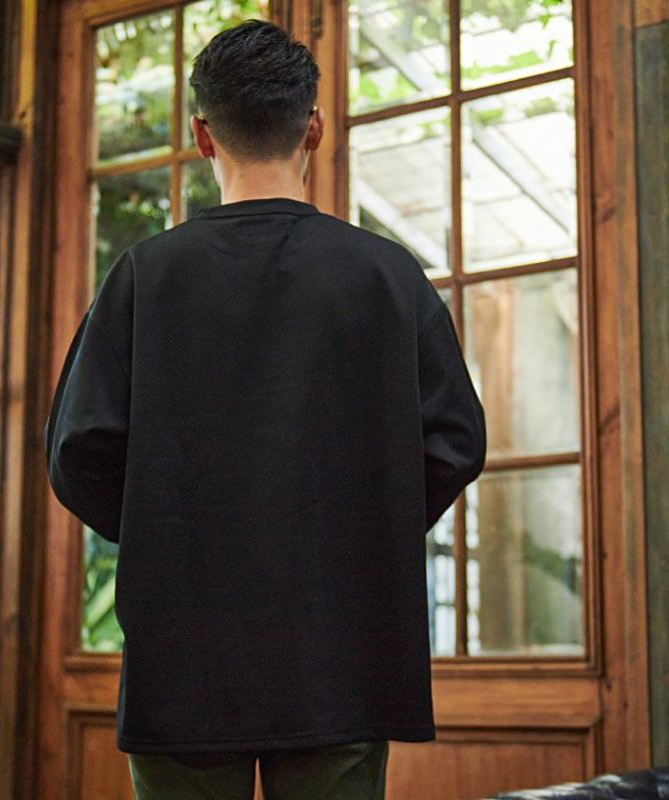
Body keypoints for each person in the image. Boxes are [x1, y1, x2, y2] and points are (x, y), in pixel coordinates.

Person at [43, 19, 486, 800]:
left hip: (183, 656)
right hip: (343, 655)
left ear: (202, 136)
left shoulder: (146, 276)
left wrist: (169, 533)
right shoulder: (386, 275)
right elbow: (456, 439)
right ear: (314, 127)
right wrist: (361, 531)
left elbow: (77, 450)